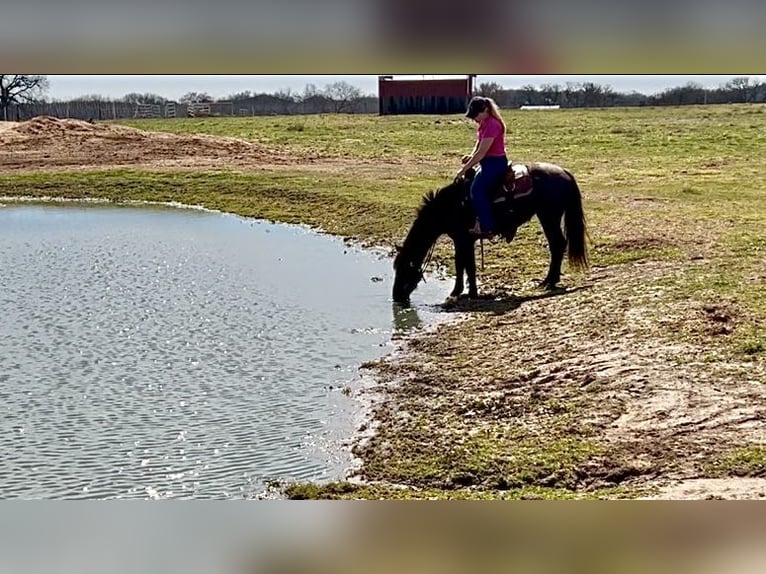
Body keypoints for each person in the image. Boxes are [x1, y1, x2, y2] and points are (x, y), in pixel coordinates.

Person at [455, 96, 508, 238]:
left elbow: (482, 153)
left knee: (477, 190)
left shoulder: (492, 125)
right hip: (487, 162)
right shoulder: (484, 123)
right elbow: (478, 147)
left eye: (476, 115)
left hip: (495, 163)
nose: (475, 119)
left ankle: (488, 226)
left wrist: (464, 169)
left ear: (485, 110)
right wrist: (470, 156)